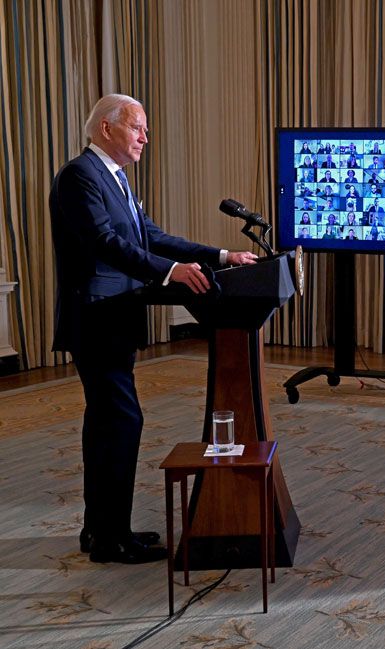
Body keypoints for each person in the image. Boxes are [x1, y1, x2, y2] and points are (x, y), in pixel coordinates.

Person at [50, 94, 257, 564]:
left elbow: (152, 237)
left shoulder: (117, 179)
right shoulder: (80, 176)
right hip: (96, 318)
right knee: (121, 420)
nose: (146, 137)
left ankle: (102, 529)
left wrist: (220, 256)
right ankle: (109, 538)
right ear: (107, 128)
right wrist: (169, 273)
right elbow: (105, 243)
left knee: (107, 422)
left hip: (115, 318)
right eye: (138, 127)